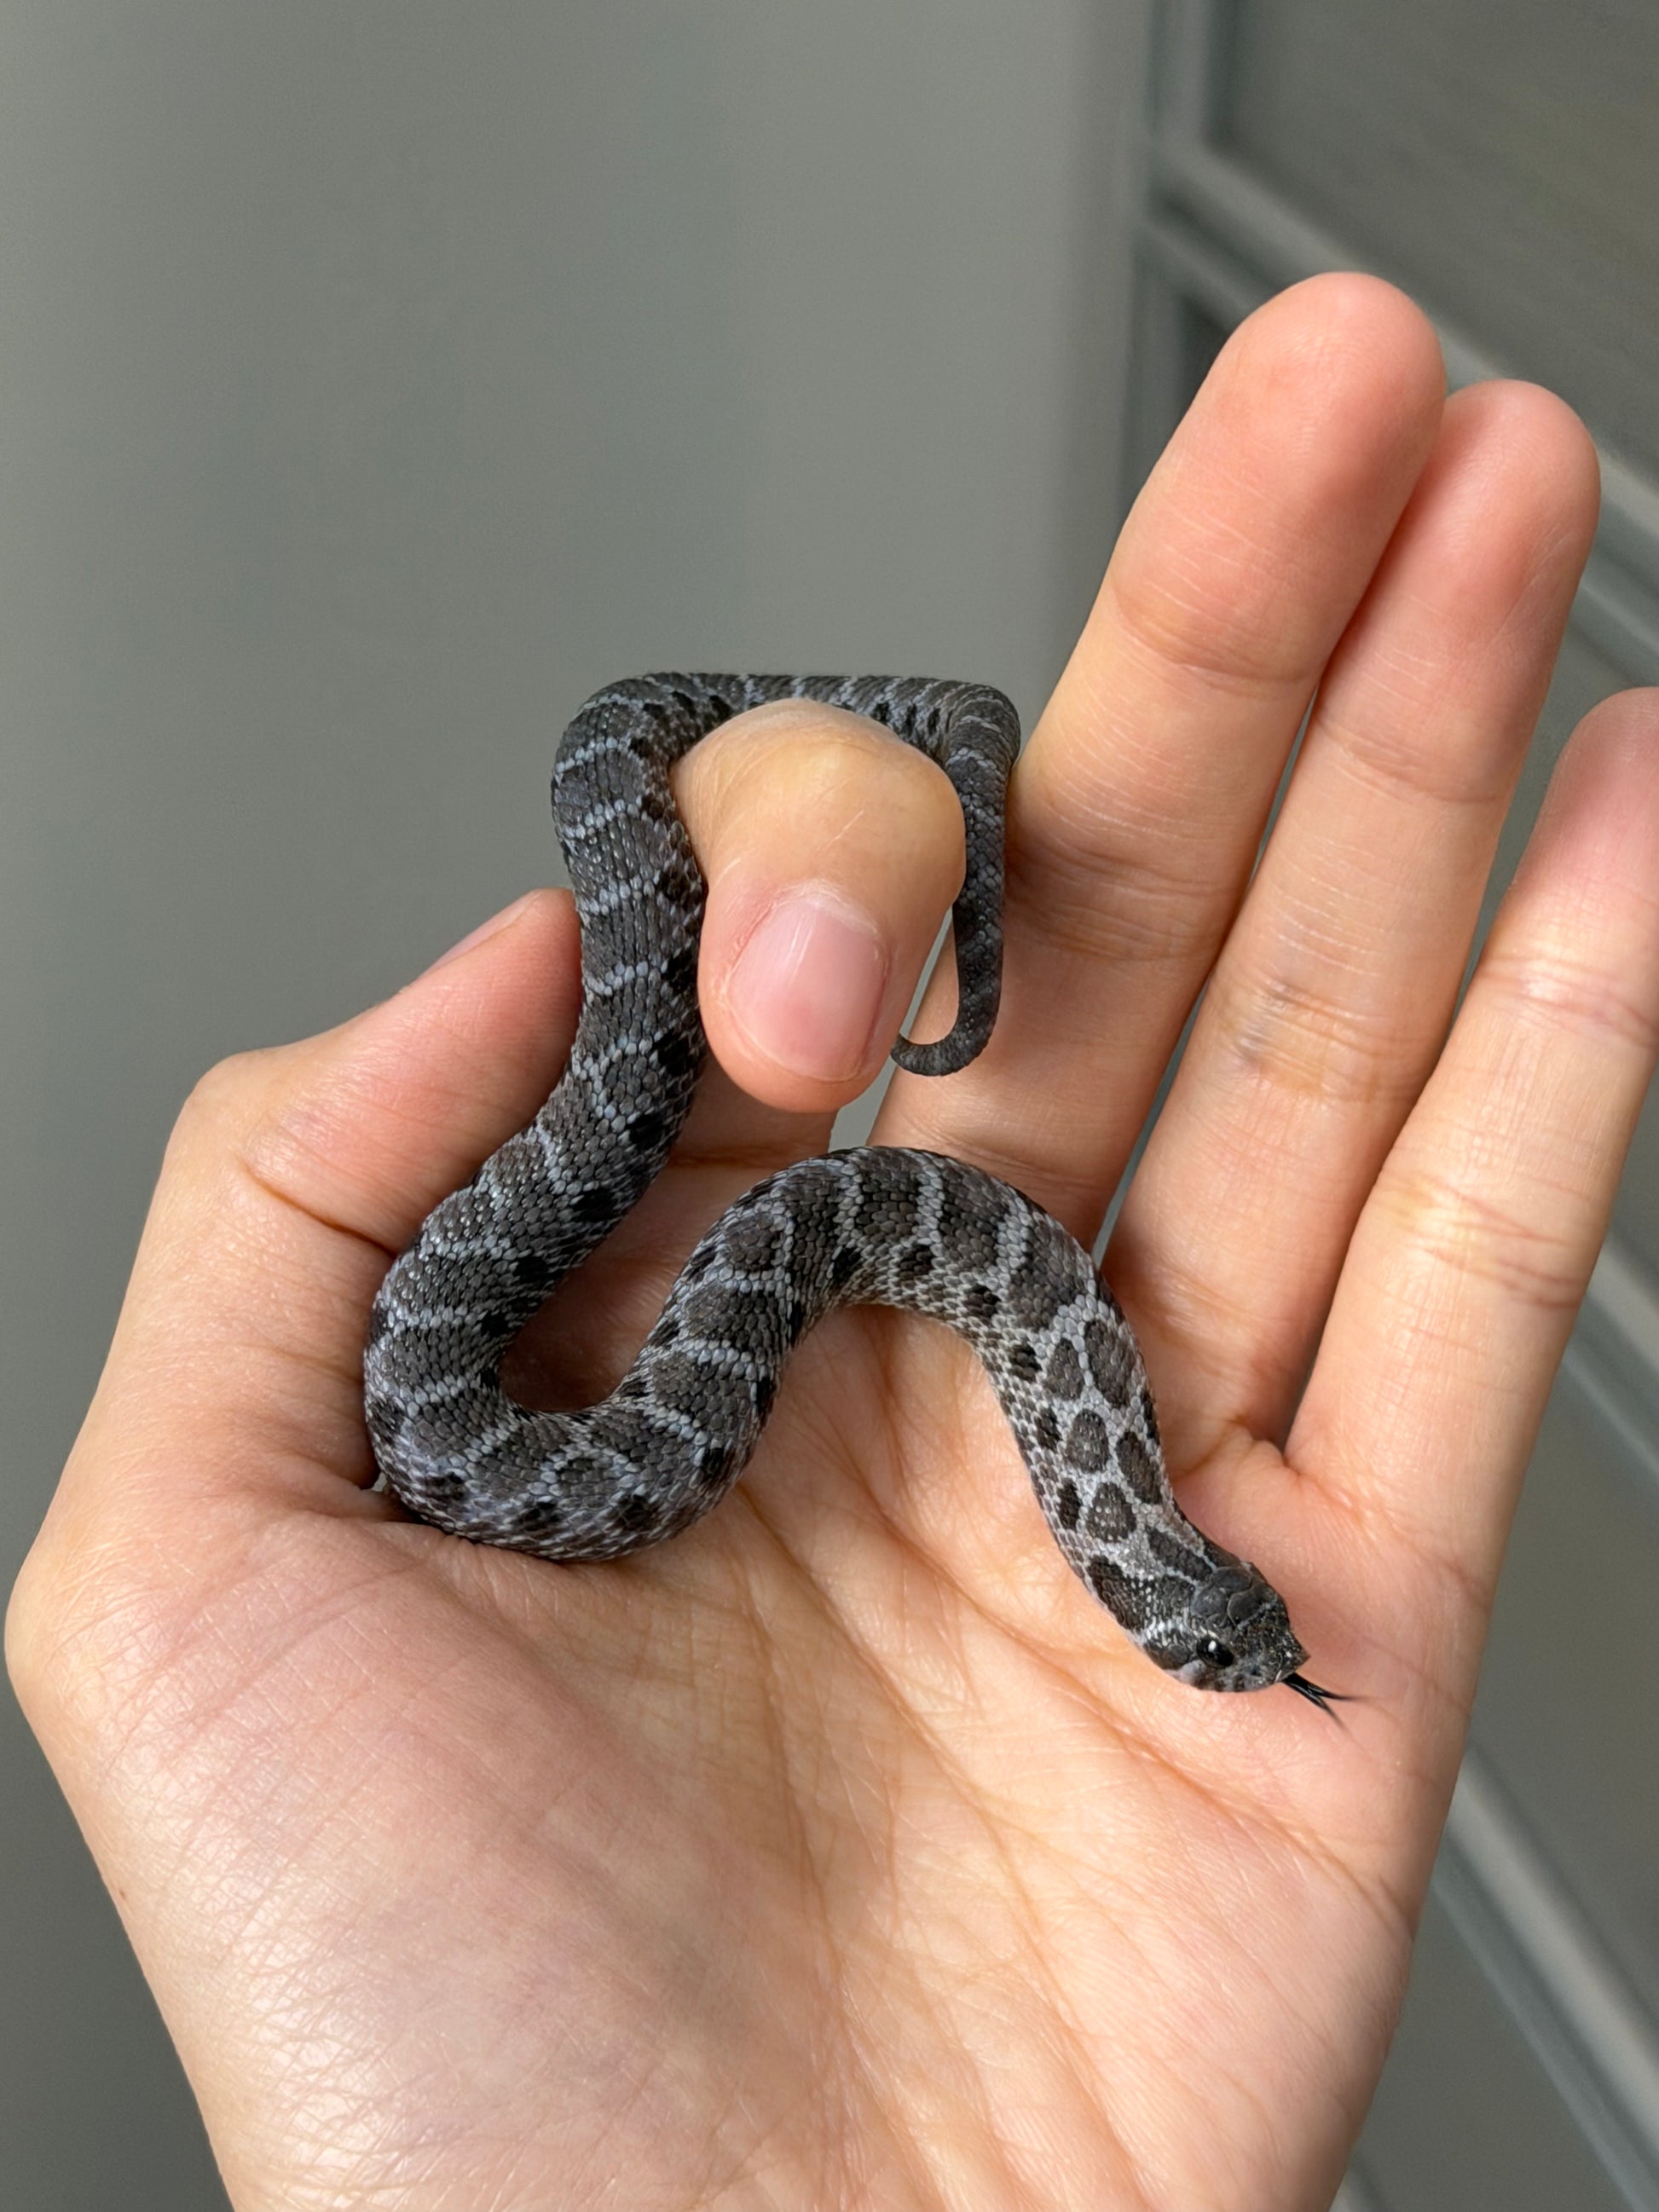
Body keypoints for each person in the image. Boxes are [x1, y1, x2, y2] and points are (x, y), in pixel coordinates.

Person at [9, 273, 1655, 2212]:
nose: (1245, 1647)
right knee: (709, 974)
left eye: (1218, 1634)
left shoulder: (1064, 1378)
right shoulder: (1033, 1401)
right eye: (1216, 1630)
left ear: (1134, 1567)